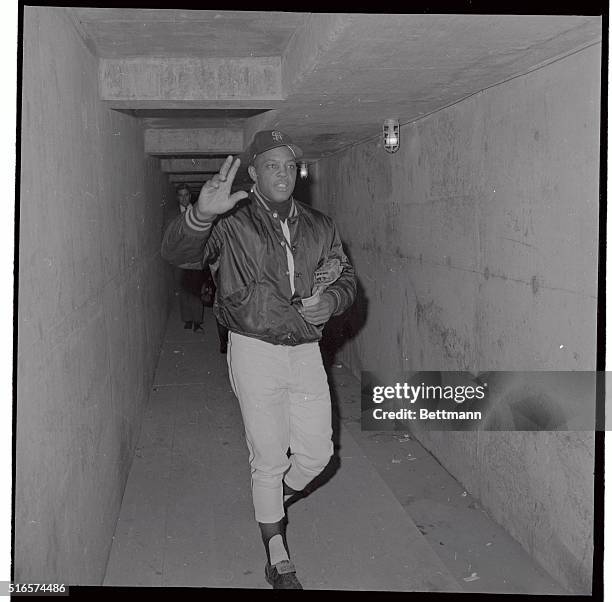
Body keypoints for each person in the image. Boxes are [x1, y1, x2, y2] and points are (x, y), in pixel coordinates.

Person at [161, 130, 356, 589]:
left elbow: (344, 276)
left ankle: (272, 499)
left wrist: (332, 300)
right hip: (253, 348)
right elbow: (177, 253)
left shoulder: (319, 224)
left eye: (289, 166)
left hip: (306, 349)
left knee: (318, 454)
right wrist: (199, 215)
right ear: (253, 173)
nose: (283, 174)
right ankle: (276, 552)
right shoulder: (232, 222)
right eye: (272, 166)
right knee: (268, 456)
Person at [175, 184, 205, 332]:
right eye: (181, 195)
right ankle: (187, 319)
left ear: (190, 196)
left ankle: (197, 320)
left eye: (186, 195)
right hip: (180, 260)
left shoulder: (199, 212)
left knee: (196, 290)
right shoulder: (173, 215)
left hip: (197, 259)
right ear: (177, 197)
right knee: (184, 290)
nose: (184, 198)